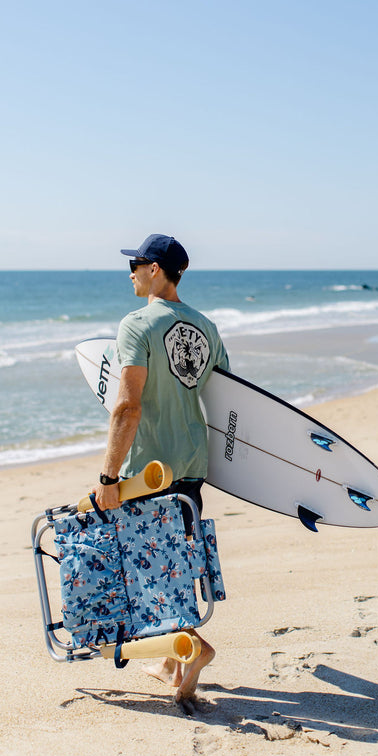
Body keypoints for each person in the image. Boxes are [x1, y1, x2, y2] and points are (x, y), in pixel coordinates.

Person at [94, 233, 229, 705]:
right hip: (193, 461)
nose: (130, 271)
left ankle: (194, 649)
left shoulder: (136, 324)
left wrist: (109, 478)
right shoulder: (207, 328)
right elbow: (226, 399)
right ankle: (173, 662)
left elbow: (127, 406)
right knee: (180, 560)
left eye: (135, 263)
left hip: (149, 469)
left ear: (155, 270)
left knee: (152, 566)